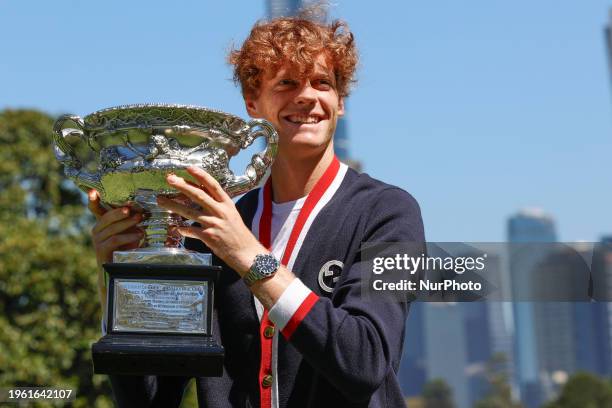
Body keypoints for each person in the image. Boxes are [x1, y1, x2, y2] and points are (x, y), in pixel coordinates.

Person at [88, 13, 425, 408]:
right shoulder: (208, 233)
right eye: (287, 83)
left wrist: (250, 257)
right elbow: (150, 399)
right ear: (252, 102)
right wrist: (119, 285)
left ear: (341, 102)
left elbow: (364, 360)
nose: (307, 96)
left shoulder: (389, 213)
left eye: (323, 83)